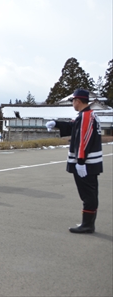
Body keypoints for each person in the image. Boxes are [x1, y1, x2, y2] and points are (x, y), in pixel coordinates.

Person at [46, 89, 103, 234]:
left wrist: (81, 161)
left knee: (88, 194)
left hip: (87, 163)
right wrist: (56, 123)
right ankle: (87, 222)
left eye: (73, 101)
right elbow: (73, 126)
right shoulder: (87, 115)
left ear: (78, 101)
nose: (72, 103)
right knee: (89, 193)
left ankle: (88, 225)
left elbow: (84, 140)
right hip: (90, 162)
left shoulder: (86, 116)